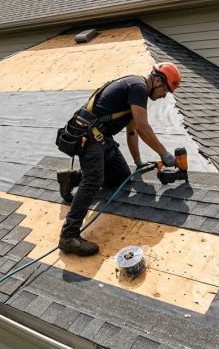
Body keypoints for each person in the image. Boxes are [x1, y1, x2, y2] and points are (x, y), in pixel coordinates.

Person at [56, 63, 182, 256]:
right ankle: (68, 235)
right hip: (89, 136)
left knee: (121, 177)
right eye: (166, 90)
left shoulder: (137, 89)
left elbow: (132, 132)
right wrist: (164, 154)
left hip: (99, 136)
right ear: (157, 80)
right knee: (93, 180)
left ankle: (72, 178)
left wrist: (138, 164)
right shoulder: (138, 88)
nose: (165, 95)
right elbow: (142, 126)